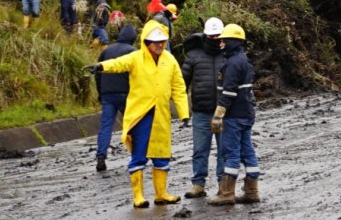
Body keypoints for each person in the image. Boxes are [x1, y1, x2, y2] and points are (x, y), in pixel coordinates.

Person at [89, 20, 189, 209]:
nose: (159, 45)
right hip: (141, 114)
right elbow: (119, 63)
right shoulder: (136, 57)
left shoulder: (170, 60)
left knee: (161, 155)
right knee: (139, 155)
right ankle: (138, 196)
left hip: (161, 115)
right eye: (155, 41)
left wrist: (184, 113)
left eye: (162, 41)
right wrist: (101, 67)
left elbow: (178, 87)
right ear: (146, 42)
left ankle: (161, 194)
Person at [209, 24, 260, 206]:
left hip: (234, 116)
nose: (222, 43)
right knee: (248, 151)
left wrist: (218, 115)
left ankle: (226, 193)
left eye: (224, 40)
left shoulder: (232, 64)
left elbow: (228, 92)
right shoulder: (244, 60)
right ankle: (252, 191)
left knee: (231, 153)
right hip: (246, 114)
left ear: (233, 42)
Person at [181, 17, 227, 199]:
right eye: (212, 36)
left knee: (224, 150)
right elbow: (181, 82)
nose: (215, 39)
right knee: (200, 149)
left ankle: (223, 185)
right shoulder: (193, 56)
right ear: (206, 36)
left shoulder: (228, 54)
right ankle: (198, 184)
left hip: (224, 111)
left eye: (218, 36)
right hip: (201, 111)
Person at [94, 24, 138, 172]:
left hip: (107, 94)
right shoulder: (133, 52)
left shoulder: (107, 50)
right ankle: (135, 155)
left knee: (106, 126)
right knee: (132, 126)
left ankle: (101, 156)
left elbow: (98, 72)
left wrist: (100, 93)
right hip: (126, 95)